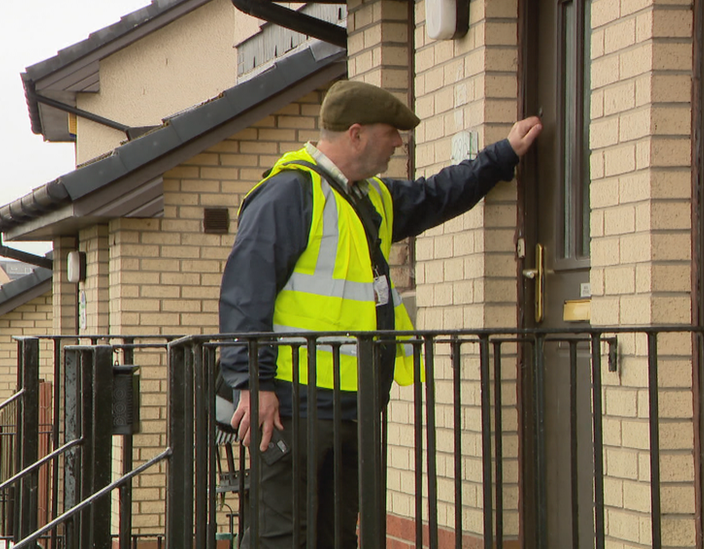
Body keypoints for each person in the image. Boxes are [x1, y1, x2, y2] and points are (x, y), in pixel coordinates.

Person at [219, 80, 541, 548]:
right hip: (294, 403)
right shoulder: (290, 193)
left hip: (355, 404)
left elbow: (438, 195)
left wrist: (503, 154)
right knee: (283, 538)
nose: (398, 143)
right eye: (391, 133)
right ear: (356, 134)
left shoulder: (371, 198)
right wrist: (253, 383)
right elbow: (245, 294)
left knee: (338, 536)